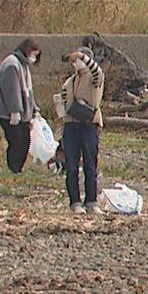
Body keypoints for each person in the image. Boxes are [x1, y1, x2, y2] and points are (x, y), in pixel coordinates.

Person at [58, 47, 104, 213]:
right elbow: (63, 102)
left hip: (89, 124)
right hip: (70, 125)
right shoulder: (69, 82)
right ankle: (75, 201)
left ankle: (91, 201)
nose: (76, 63)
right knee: (71, 165)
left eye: (78, 60)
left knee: (90, 164)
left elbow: (97, 70)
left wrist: (83, 57)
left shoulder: (95, 78)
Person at [0, 38, 41, 173]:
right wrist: (15, 111)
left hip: (23, 114)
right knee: (16, 142)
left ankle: (17, 168)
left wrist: (34, 109)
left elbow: (28, 91)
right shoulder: (12, 65)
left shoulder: (23, 65)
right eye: (33, 54)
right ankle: (13, 168)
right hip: (11, 114)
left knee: (24, 142)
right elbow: (12, 91)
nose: (34, 58)